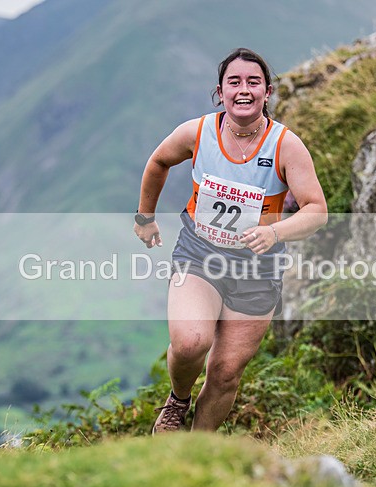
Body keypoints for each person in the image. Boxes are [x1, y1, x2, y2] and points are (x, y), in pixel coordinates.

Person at [134, 48, 327, 433]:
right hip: (200, 253)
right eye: (234, 82)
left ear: (267, 92)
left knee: (224, 373)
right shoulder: (198, 132)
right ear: (220, 92)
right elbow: (158, 162)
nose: (244, 90)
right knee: (190, 343)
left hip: (258, 268)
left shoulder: (285, 145)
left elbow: (316, 210)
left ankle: (196, 454)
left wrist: (273, 231)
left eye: (253, 82)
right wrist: (145, 217)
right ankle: (177, 401)